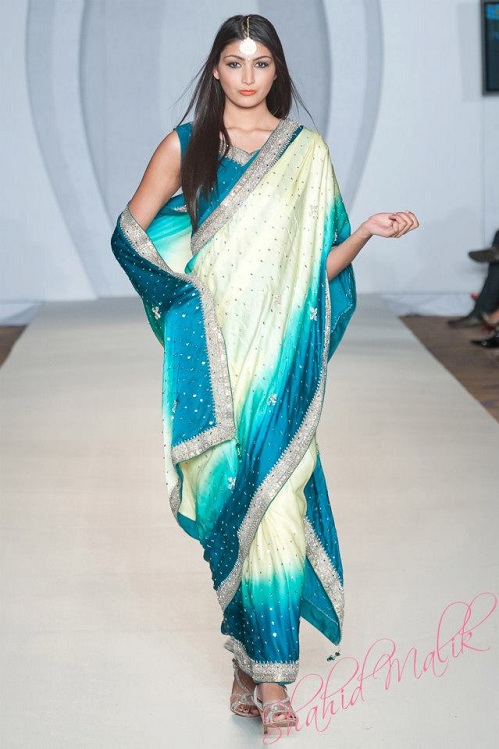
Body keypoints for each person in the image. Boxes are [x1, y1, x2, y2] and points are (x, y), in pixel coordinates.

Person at [111, 14, 419, 736]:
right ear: (214, 70)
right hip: (214, 367)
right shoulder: (186, 145)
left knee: (277, 508)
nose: (247, 77)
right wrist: (185, 298)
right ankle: (244, 661)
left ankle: (274, 681)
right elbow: (130, 236)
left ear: (277, 70)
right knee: (230, 514)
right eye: (233, 62)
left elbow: (315, 270)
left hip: (280, 365)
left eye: (260, 63)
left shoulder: (306, 153)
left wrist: (364, 232)